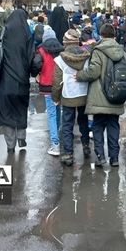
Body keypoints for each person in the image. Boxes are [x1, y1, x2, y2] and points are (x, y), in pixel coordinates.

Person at [0, 9, 38, 153]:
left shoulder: (3, 33)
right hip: (22, 82)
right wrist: (32, 72)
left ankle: (10, 145)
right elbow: (31, 59)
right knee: (21, 109)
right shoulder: (27, 35)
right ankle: (22, 137)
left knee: (7, 114)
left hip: (5, 82)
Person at [76, 24, 126, 167]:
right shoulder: (122, 52)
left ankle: (100, 156)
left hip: (100, 96)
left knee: (97, 126)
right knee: (113, 126)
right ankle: (115, 158)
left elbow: (93, 72)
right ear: (114, 35)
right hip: (117, 95)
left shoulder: (98, 50)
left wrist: (79, 75)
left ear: (102, 35)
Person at [52, 29, 92, 166]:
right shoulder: (87, 56)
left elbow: (57, 82)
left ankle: (68, 154)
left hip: (68, 95)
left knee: (67, 125)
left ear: (65, 42)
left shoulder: (59, 60)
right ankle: (86, 146)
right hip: (84, 94)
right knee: (83, 121)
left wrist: (55, 98)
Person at [34, 27, 64, 156]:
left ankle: (55, 143)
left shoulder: (41, 50)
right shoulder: (61, 50)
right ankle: (57, 134)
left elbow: (36, 65)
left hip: (46, 85)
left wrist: (36, 74)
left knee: (51, 114)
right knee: (59, 111)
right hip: (60, 85)